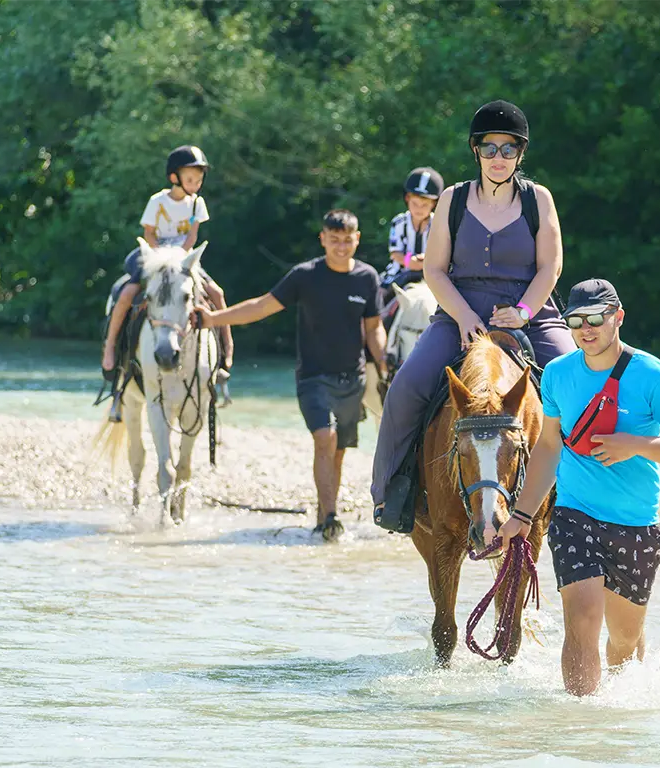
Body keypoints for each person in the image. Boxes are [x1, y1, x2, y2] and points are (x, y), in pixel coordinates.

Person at [370, 99, 576, 530]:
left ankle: (586, 500)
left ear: (520, 153)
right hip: (459, 311)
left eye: (508, 148)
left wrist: (522, 312)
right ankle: (392, 494)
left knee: (578, 384)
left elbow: (550, 267)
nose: (498, 157)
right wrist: (463, 316)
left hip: (529, 312)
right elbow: (434, 270)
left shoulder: (539, 199)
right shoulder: (453, 199)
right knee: (406, 386)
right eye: (489, 148)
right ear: (475, 150)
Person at [497, 279, 660, 697]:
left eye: (596, 318)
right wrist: (521, 514)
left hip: (636, 524)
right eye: (576, 321)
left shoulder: (651, 374)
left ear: (618, 317)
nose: (586, 329)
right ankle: (580, 726)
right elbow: (550, 445)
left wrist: (638, 445)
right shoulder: (556, 374)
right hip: (575, 516)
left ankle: (622, 716)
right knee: (581, 622)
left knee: (624, 640)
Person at [194, 210, 386, 542]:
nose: (341, 246)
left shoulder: (367, 278)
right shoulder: (305, 276)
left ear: (357, 239)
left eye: (347, 240)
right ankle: (329, 518)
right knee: (324, 438)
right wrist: (214, 319)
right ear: (323, 239)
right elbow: (261, 306)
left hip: (352, 380)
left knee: (338, 450)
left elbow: (374, 328)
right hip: (313, 378)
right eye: (334, 239)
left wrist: (384, 364)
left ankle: (324, 512)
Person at [101, 145, 230, 419]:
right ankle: (111, 348)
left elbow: (193, 235)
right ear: (175, 177)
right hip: (155, 255)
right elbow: (148, 233)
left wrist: (180, 258)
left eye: (199, 178)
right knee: (127, 294)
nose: (197, 183)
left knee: (215, 293)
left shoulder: (197, 203)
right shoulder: (157, 201)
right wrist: (161, 257)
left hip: (182, 258)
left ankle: (224, 353)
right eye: (191, 178)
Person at [377, 166, 444, 315]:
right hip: (401, 270)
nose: (419, 209)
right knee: (379, 296)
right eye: (415, 204)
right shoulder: (399, 222)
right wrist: (409, 261)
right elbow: (395, 253)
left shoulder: (440, 224)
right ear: (407, 199)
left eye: (424, 205)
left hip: (432, 272)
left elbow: (444, 251)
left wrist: (426, 259)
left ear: (434, 204)